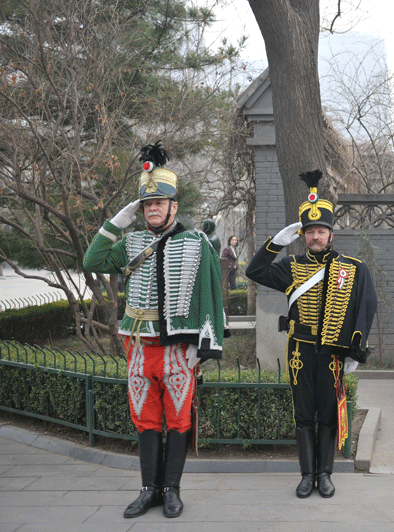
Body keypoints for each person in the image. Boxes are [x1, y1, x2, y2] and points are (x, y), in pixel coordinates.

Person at [83, 141, 228, 519]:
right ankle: (148, 490)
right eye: (147, 204)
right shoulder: (130, 241)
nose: (152, 208)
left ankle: (172, 490)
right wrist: (116, 223)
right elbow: (92, 260)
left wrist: (203, 346)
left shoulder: (195, 242)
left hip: (177, 351)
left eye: (158, 203)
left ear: (173, 206)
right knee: (145, 420)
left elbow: (211, 294)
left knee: (178, 420)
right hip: (137, 348)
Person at [246, 169, 377, 499]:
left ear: (331, 234)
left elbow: (366, 306)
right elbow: (254, 270)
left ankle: (325, 474)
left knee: (329, 414)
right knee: (304, 414)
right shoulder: (289, 267)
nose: (316, 236)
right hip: (300, 351)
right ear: (303, 235)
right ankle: (306, 475)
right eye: (310, 232)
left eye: (321, 231)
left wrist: (355, 350)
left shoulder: (352, 269)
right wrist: (277, 242)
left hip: (332, 353)